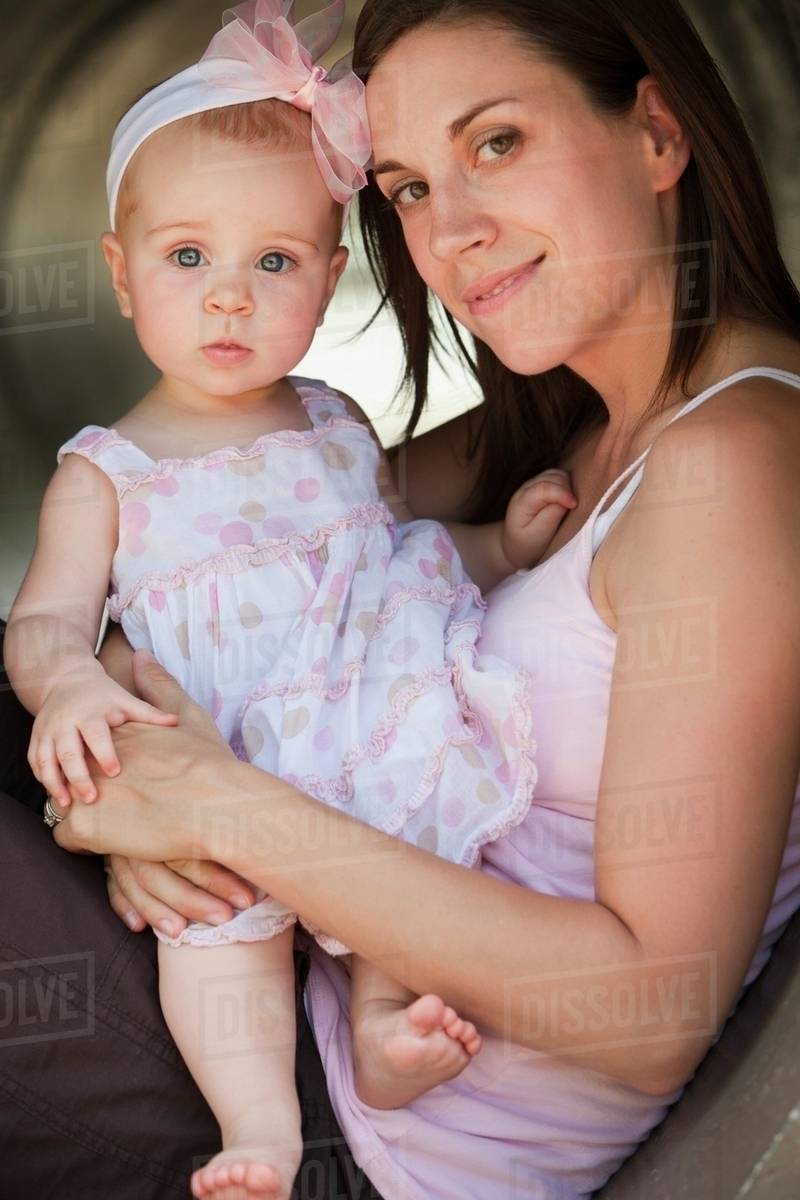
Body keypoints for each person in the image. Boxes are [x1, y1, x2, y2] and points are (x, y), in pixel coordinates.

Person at [2, 0, 800, 1197]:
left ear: (655, 133)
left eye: (495, 144)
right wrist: (129, 772)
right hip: (268, 976)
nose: (452, 234)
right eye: (408, 188)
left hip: (366, 1130)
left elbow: (648, 1009)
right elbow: (213, 554)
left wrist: (219, 812)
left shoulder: (730, 460)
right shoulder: (573, 414)